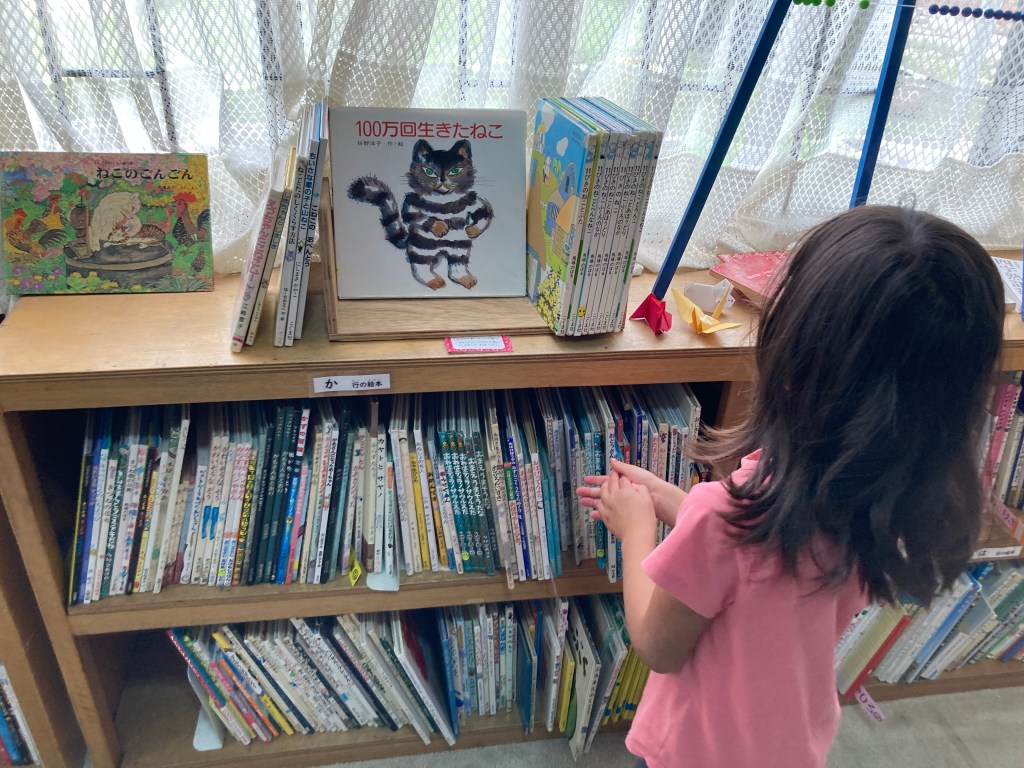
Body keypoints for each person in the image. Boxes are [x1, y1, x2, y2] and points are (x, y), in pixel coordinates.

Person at [577, 205, 1005, 768]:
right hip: (791, 744)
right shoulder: (885, 502)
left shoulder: (723, 519)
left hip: (696, 752)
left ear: (793, 355)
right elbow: (762, 568)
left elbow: (658, 647)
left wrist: (636, 529)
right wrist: (677, 504)